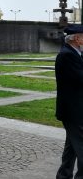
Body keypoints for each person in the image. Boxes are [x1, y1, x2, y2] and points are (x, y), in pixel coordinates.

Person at [55, 25, 83, 179]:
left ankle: (63, 176)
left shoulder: (76, 53)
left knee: (71, 148)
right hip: (73, 111)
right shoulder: (67, 55)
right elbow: (80, 79)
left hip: (76, 109)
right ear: (76, 39)